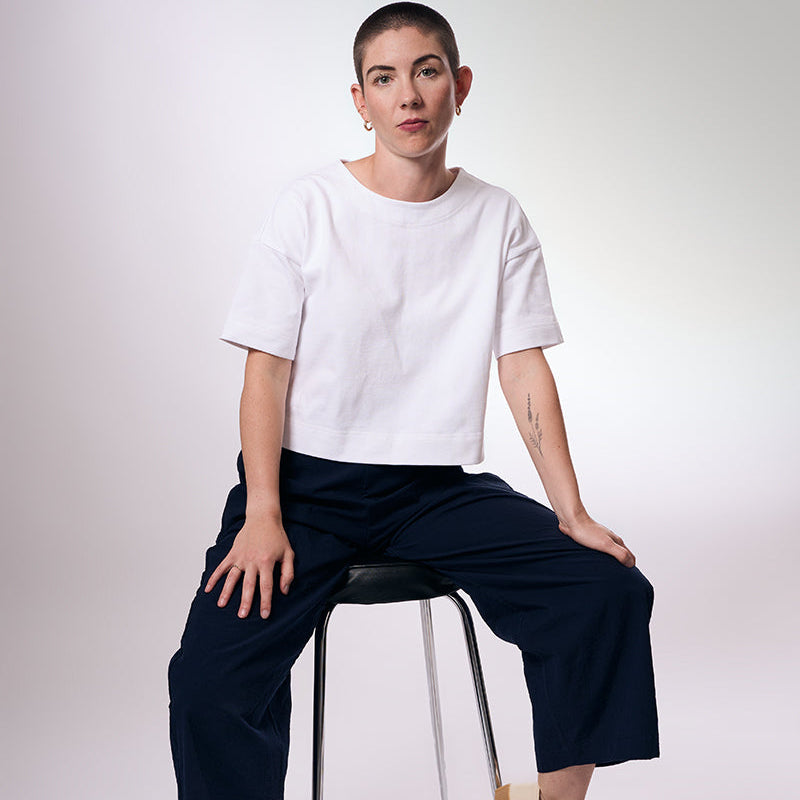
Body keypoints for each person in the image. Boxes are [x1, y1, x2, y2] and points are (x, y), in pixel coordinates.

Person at [167, 3, 660, 799]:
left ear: (459, 86)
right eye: (385, 78)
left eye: (427, 71)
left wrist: (571, 511)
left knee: (605, 591)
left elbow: (523, 368)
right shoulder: (309, 207)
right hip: (303, 490)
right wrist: (262, 512)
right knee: (207, 682)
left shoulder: (497, 217)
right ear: (360, 101)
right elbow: (265, 374)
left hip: (432, 492)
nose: (409, 95)